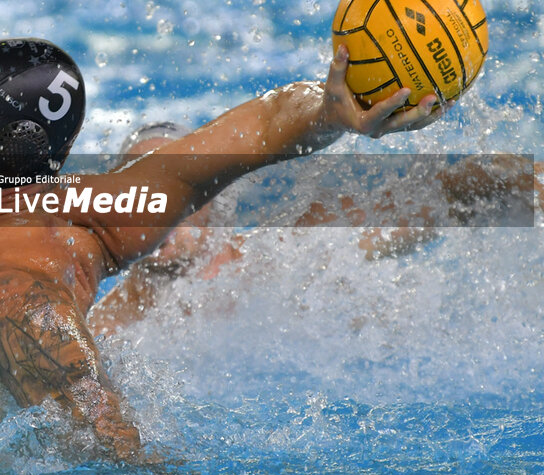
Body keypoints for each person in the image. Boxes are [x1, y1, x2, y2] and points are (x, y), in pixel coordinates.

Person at [0, 37, 441, 462]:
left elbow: (114, 452)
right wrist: (330, 111)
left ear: (6, 149)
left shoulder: (6, 293)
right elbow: (256, 128)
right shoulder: (60, 205)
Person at [88, 122, 543, 337]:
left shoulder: (282, 256)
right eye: (137, 184)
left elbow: (446, 195)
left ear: (214, 200)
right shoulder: (105, 330)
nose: (154, 203)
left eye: (175, 186)